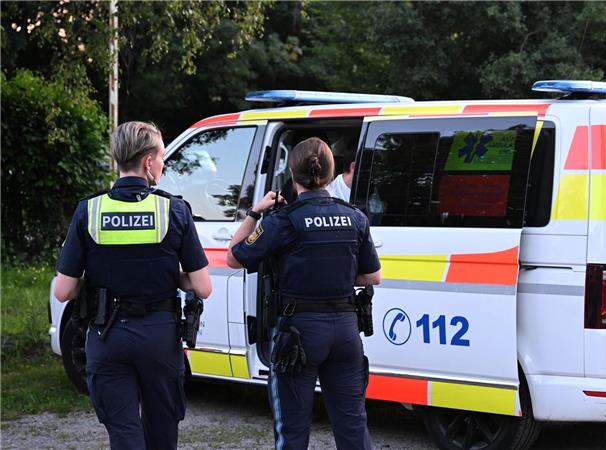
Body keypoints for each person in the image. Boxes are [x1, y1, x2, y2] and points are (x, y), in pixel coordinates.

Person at [53, 121, 212, 450]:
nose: (163, 164)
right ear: (148, 162)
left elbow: (63, 291)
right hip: (159, 337)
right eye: (162, 157)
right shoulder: (175, 209)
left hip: (107, 337)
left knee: (124, 435)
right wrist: (172, 275)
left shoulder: (90, 210)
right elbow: (203, 286)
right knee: (162, 434)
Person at [226, 137, 381, 450]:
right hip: (345, 332)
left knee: (293, 433)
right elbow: (373, 276)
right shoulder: (354, 217)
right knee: (352, 427)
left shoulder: (282, 221)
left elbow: (233, 257)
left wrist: (256, 212)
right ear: (330, 173)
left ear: (292, 176)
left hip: (299, 335)